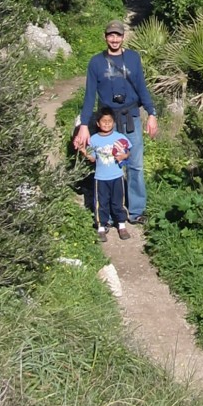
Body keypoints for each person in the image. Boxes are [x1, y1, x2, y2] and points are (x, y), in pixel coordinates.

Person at [74, 20, 159, 224]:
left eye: (118, 35)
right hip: (107, 122)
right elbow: (89, 96)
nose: (114, 39)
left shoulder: (133, 58)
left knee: (135, 165)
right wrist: (84, 126)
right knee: (108, 166)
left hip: (131, 117)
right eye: (111, 35)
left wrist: (152, 113)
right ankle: (110, 214)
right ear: (105, 37)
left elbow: (141, 87)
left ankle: (136, 211)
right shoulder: (96, 63)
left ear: (123, 37)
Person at [82, 107, 131, 241]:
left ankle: (121, 225)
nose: (107, 123)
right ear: (98, 123)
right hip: (100, 178)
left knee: (118, 202)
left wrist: (124, 156)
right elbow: (92, 158)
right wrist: (83, 151)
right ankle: (101, 227)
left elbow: (128, 152)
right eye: (104, 121)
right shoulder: (93, 140)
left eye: (109, 121)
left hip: (117, 177)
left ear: (114, 122)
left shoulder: (119, 137)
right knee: (101, 203)